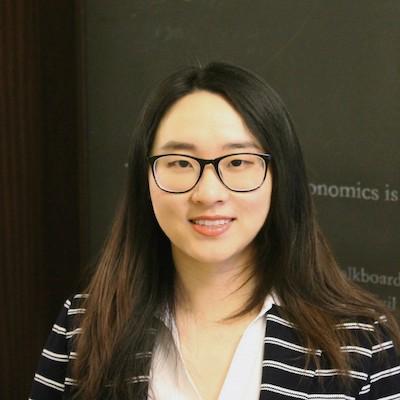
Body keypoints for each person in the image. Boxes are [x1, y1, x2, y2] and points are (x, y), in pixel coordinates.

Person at [30, 62, 400, 400]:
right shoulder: (82, 328)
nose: (208, 193)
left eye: (238, 161)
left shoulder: (363, 342)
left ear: (280, 177)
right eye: (179, 162)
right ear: (145, 179)